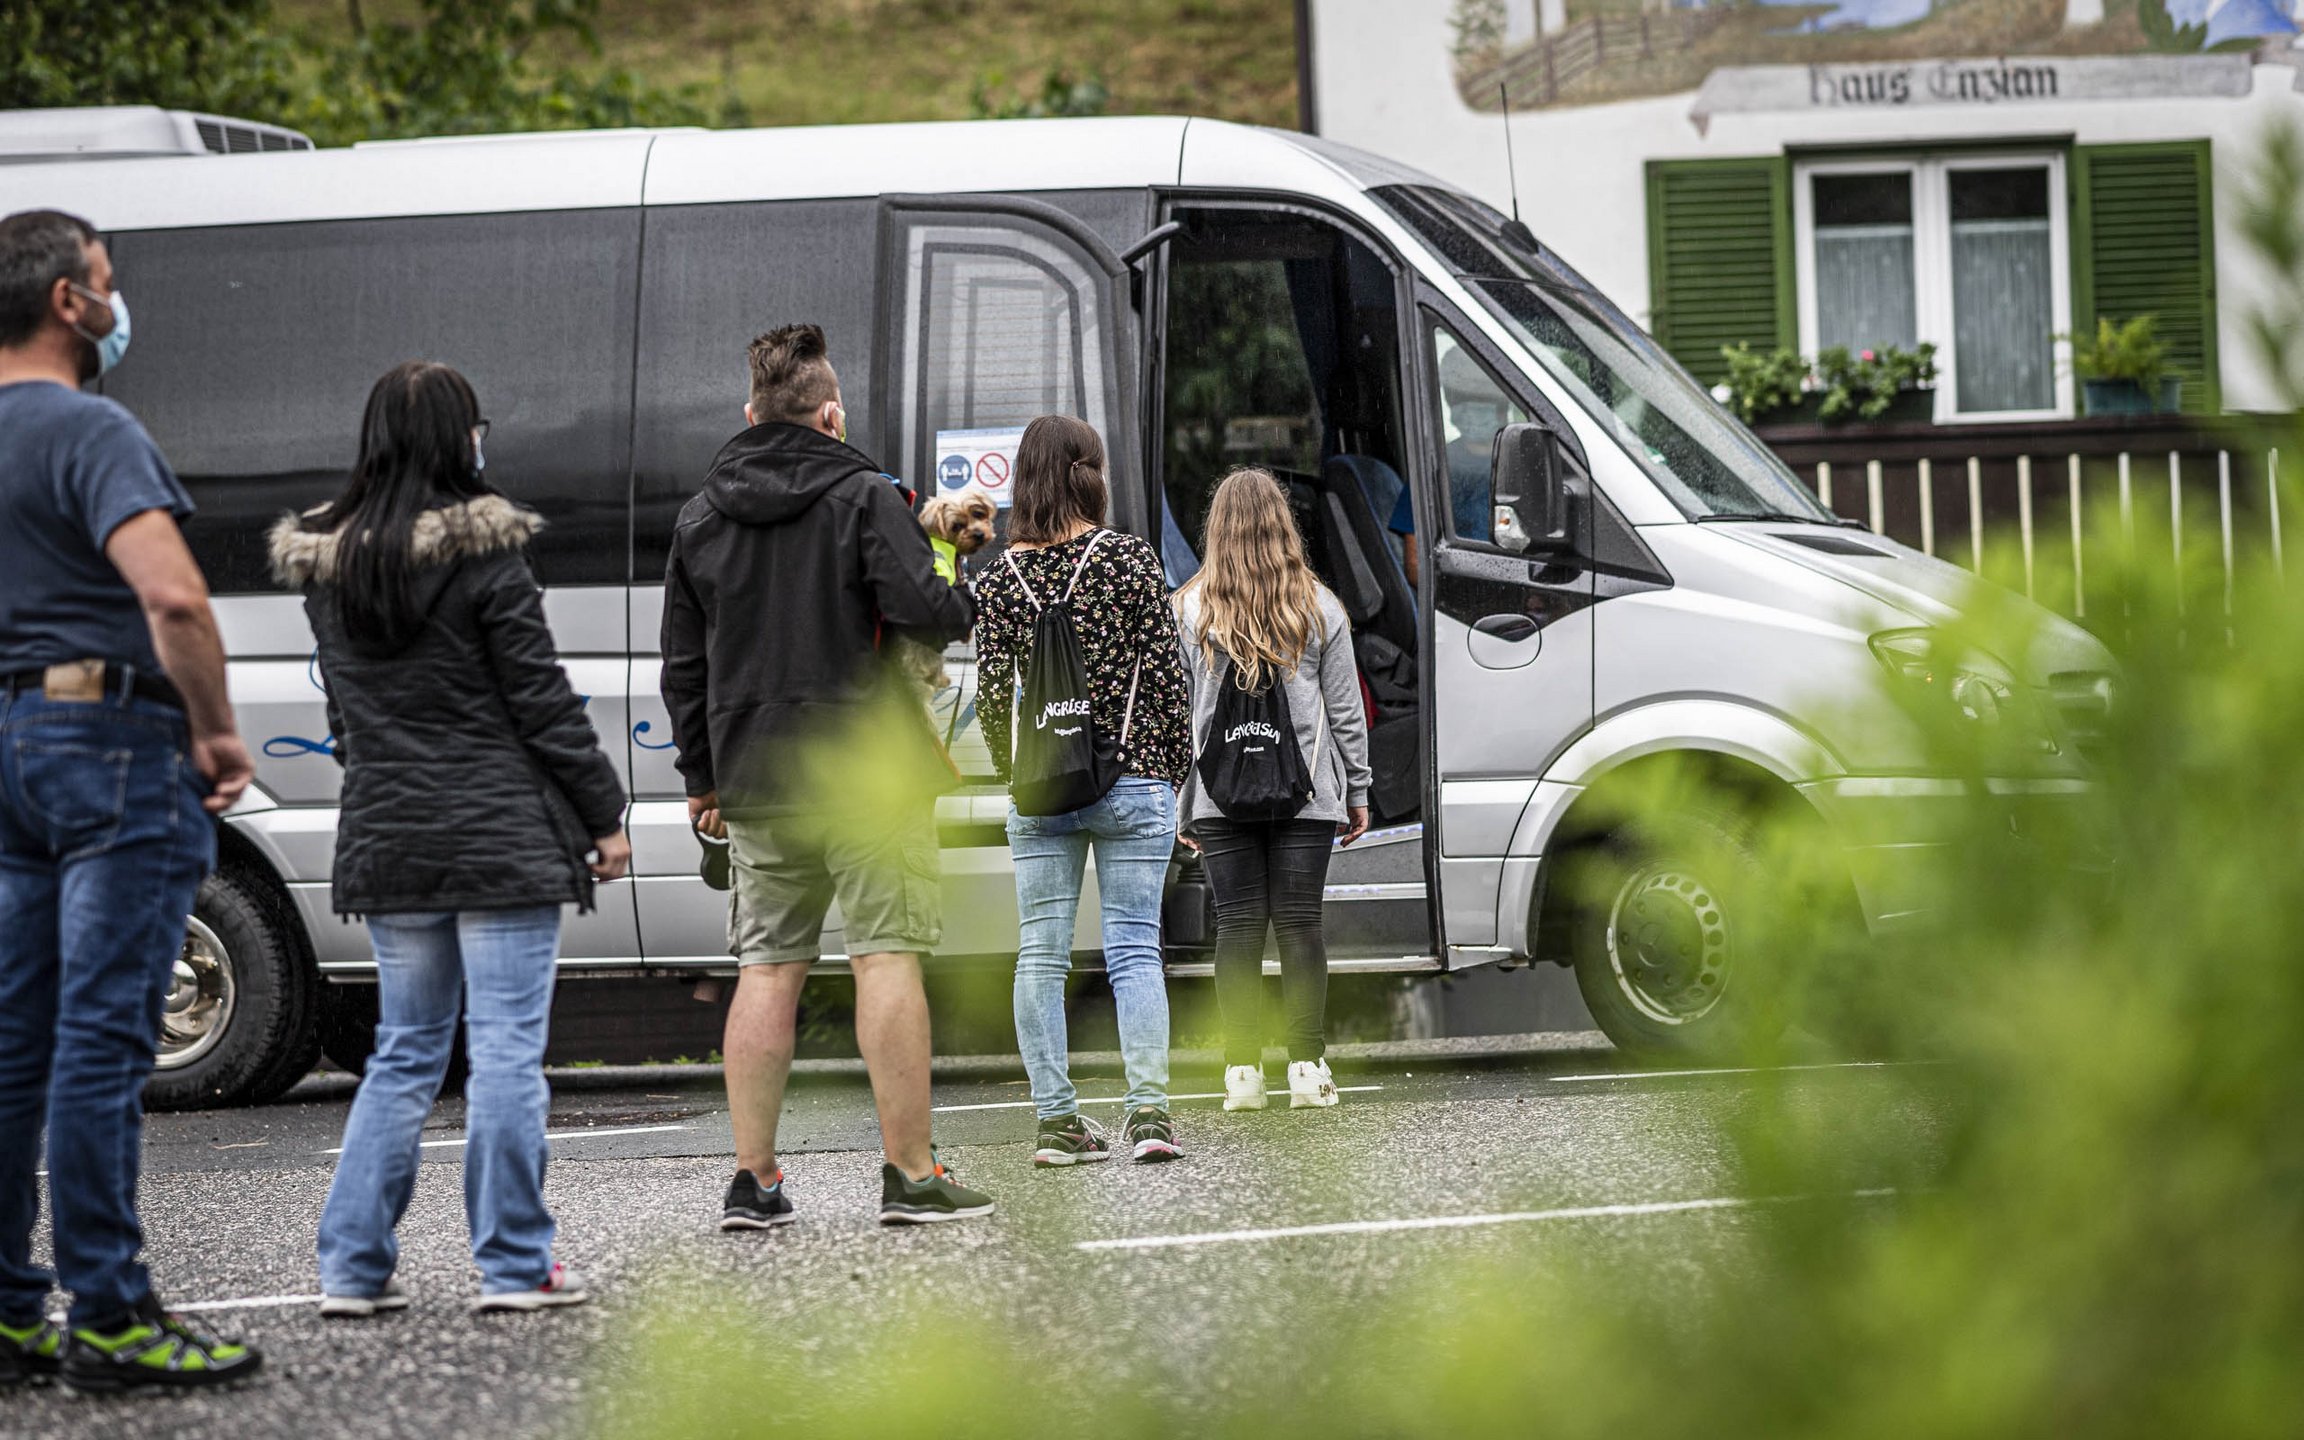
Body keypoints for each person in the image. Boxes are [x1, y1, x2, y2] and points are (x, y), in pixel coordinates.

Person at [280, 361, 631, 1316]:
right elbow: (541, 700)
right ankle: (513, 1264)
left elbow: (346, 720)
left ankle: (353, 1269)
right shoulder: (486, 552)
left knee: (405, 1051)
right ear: (457, 439)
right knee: (507, 1050)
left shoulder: (330, 566)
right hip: (499, 837)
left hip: (389, 834)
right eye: (477, 426)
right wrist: (603, 815)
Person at [0, 209, 262, 1392]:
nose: (115, 303)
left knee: (14, 1045)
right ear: (69, 300)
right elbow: (175, 600)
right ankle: (110, 1312)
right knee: (105, 1042)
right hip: (108, 741)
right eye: (106, 282)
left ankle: (9, 1314)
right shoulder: (89, 427)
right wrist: (214, 729)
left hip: (8, 742)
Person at [661, 324, 993, 1228]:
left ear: (751, 415)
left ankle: (754, 1182)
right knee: (885, 956)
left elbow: (683, 668)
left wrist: (703, 781)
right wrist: (959, 585)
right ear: (831, 416)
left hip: (755, 777)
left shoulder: (700, 517)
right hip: (866, 771)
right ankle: (911, 1176)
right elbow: (925, 610)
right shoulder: (864, 495)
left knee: (768, 970)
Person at [974, 416, 1193, 1165]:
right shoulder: (1128, 559)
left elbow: (992, 699)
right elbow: (1165, 678)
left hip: (1040, 791)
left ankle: (1057, 1123)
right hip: (1133, 780)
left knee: (1040, 954)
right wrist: (1169, 772)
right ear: (1088, 475)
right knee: (1134, 949)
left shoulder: (996, 582)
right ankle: (1149, 1117)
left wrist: (1017, 775)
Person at [1176, 468, 1372, 1111]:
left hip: (1218, 792)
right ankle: (1307, 1070)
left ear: (1217, 530)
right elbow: (1345, 712)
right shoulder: (1319, 607)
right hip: (1307, 790)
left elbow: (1182, 717)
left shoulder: (1189, 609)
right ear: (1284, 527)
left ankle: (1242, 1075)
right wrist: (1358, 789)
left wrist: (1184, 802)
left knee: (1236, 926)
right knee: (1300, 924)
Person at [1387, 341, 1522, 587]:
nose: (1470, 409)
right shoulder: (1432, 470)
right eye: (1459, 398)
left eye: (1481, 396)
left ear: (1503, 406)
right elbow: (1417, 568)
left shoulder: (1524, 467)